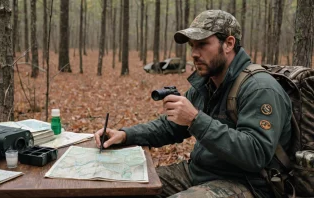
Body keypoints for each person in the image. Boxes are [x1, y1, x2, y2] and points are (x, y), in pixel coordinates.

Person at [94, 10, 292, 198]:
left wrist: (195, 119)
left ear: (229, 44)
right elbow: (170, 127)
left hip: (247, 184)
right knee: (125, 186)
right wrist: (126, 134)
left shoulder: (260, 89)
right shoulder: (207, 83)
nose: (195, 53)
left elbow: (256, 154)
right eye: (192, 46)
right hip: (199, 173)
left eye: (203, 44)